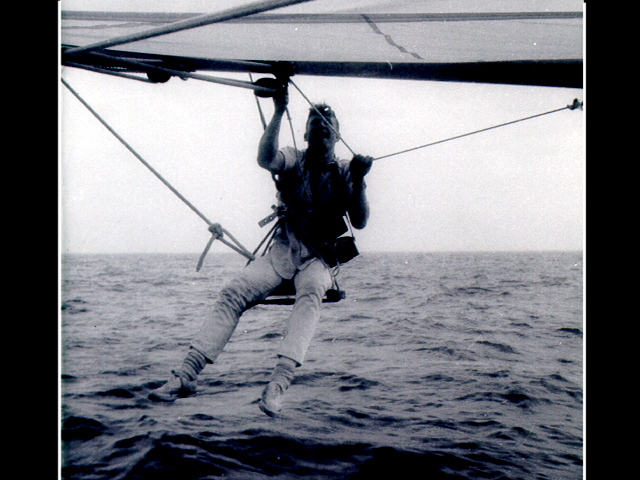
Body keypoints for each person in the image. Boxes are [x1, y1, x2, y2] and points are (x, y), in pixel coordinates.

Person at [149, 83, 373, 416]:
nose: (322, 133)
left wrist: (361, 181)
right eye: (315, 128)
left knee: (311, 290)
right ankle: (186, 374)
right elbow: (265, 158)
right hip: (282, 252)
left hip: (319, 258)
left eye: (328, 129)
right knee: (233, 292)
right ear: (306, 135)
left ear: (338, 137)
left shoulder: (345, 171)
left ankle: (278, 384)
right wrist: (279, 109)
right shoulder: (293, 158)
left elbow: (360, 220)